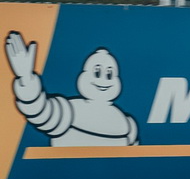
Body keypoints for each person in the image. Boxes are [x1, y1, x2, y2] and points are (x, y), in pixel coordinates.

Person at [6, 32, 137, 146]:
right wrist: (26, 78)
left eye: (109, 74)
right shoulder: (69, 110)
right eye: (97, 72)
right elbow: (39, 111)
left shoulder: (127, 124)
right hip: (61, 171)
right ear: (84, 75)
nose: (102, 80)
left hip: (114, 173)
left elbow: (135, 158)